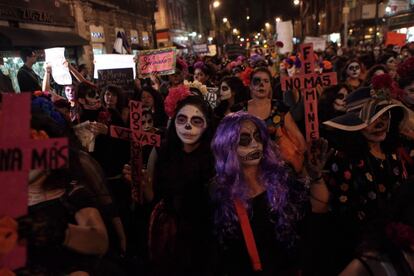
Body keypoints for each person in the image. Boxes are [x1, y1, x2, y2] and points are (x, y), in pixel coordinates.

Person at [210, 112, 332, 275]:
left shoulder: (282, 176)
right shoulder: (220, 192)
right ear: (228, 145)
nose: (254, 144)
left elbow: (318, 209)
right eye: (245, 140)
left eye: (258, 137)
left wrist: (316, 177)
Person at [322, 83, 409, 274]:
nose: (381, 123)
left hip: (399, 245)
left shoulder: (393, 153)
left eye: (384, 116)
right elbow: (342, 215)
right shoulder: (343, 160)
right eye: (373, 118)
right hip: (364, 253)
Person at [148, 90, 216, 275]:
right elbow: (152, 196)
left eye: (196, 121)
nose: (187, 127)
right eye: (182, 119)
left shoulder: (215, 158)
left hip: (205, 240)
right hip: (170, 241)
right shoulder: (162, 153)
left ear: (206, 125)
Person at [233, 67, 307, 173]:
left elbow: (298, 138)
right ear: (250, 86)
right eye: (257, 81)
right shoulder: (239, 110)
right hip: (249, 168)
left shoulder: (280, 108)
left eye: (266, 81)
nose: (261, 85)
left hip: (277, 168)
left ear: (270, 86)